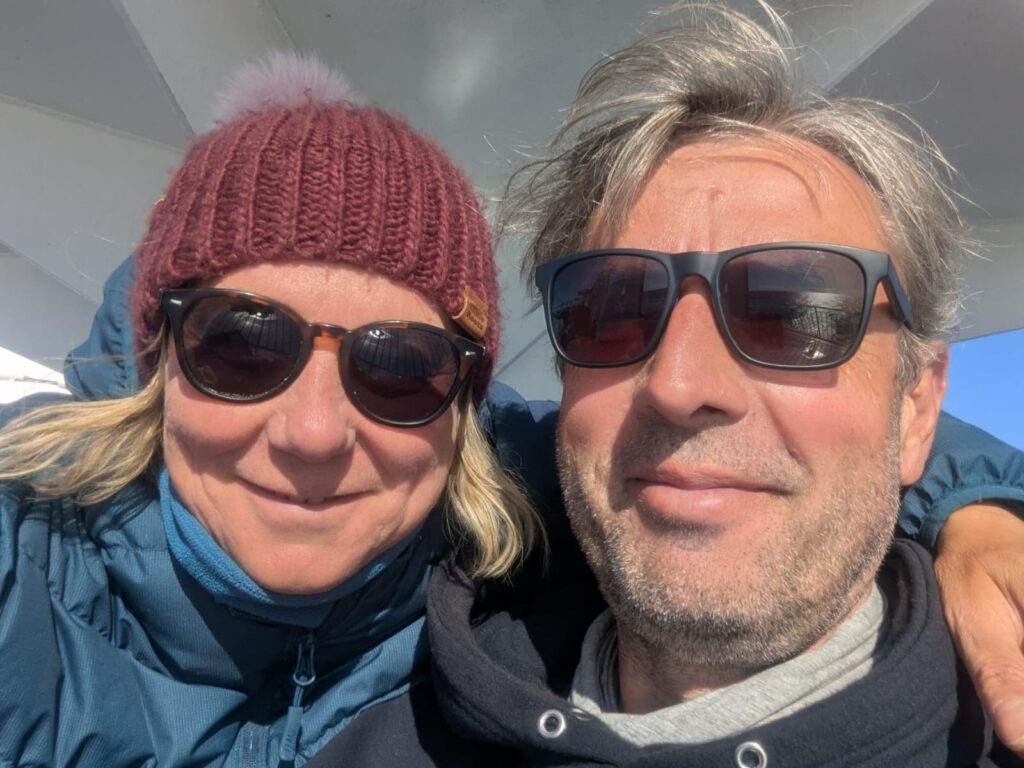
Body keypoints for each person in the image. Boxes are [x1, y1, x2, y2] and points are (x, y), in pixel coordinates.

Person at [363, 4, 1023, 766]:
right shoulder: (388, 745)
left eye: (791, 313)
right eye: (613, 310)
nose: (678, 384)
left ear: (916, 408)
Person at [0, 54, 541, 767]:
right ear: (160, 361)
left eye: (400, 367)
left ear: (462, 412)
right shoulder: (18, 563)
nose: (312, 434)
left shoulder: (544, 603)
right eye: (242, 345)